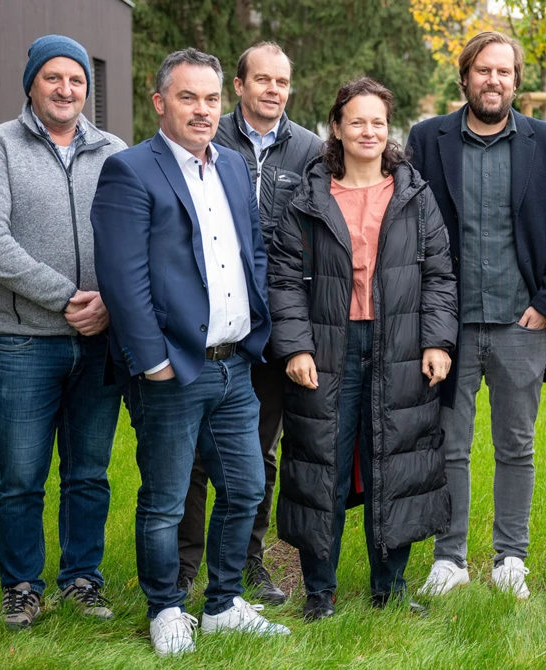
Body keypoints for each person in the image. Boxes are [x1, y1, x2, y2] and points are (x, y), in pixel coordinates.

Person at [90, 48, 289, 656]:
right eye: (187, 97)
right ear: (159, 103)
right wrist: (151, 360)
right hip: (172, 368)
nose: (202, 111)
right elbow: (122, 278)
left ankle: (225, 601)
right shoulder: (131, 171)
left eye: (210, 99)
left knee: (246, 488)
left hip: (235, 363)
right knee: (166, 500)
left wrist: (257, 326)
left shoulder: (230, 166)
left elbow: (252, 247)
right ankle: (166, 606)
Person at [267, 77, 457, 621]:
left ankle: (390, 588)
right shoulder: (309, 198)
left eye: (378, 122)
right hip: (328, 347)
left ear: (387, 129)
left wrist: (438, 340)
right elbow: (282, 279)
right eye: (357, 121)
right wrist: (296, 346)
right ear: (337, 128)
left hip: (399, 345)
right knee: (318, 464)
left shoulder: (414, 196)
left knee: (394, 462)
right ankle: (319, 593)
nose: (368, 131)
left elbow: (442, 275)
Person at [406, 31, 546, 600]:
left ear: (516, 80)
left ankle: (512, 558)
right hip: (449, 325)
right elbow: (410, 227)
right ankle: (449, 559)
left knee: (517, 445)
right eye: (483, 71)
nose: (494, 81)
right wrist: (428, 317)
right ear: (465, 78)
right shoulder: (428, 139)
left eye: (504, 72)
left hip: (519, 322)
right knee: (448, 445)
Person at [0, 34, 127, 630]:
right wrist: (67, 298)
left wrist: (110, 301)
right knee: (22, 474)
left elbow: (136, 237)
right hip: (24, 341)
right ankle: (22, 585)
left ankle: (83, 578)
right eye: (53, 77)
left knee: (89, 470)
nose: (66, 89)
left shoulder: (114, 151)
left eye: (76, 79)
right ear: (31, 83)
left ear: (87, 87)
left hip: (101, 340)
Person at [176, 40, 324, 605]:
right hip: (210, 321)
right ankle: (186, 564)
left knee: (258, 452)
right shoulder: (210, 134)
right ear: (238, 86)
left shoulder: (310, 149)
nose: (272, 91)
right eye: (261, 80)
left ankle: (244, 560)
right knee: (190, 453)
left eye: (282, 82)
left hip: (274, 325)